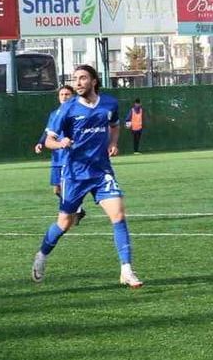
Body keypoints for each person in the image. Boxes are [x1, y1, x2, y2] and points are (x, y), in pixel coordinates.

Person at [34, 65, 143, 288]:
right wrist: (60, 143)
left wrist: (113, 143)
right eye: (75, 79)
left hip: (102, 171)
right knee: (64, 223)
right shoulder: (67, 109)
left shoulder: (109, 103)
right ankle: (42, 255)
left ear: (94, 81)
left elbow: (114, 126)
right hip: (75, 174)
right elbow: (48, 141)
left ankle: (126, 270)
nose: (78, 83)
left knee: (119, 215)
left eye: (82, 78)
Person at [35, 85, 86, 226]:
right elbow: (48, 132)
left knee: (68, 187)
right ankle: (78, 209)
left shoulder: (78, 113)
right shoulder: (55, 114)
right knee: (56, 189)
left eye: (67, 94)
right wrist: (40, 142)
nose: (64, 97)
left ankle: (68, 214)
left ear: (73, 96)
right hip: (57, 156)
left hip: (69, 156)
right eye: (62, 94)